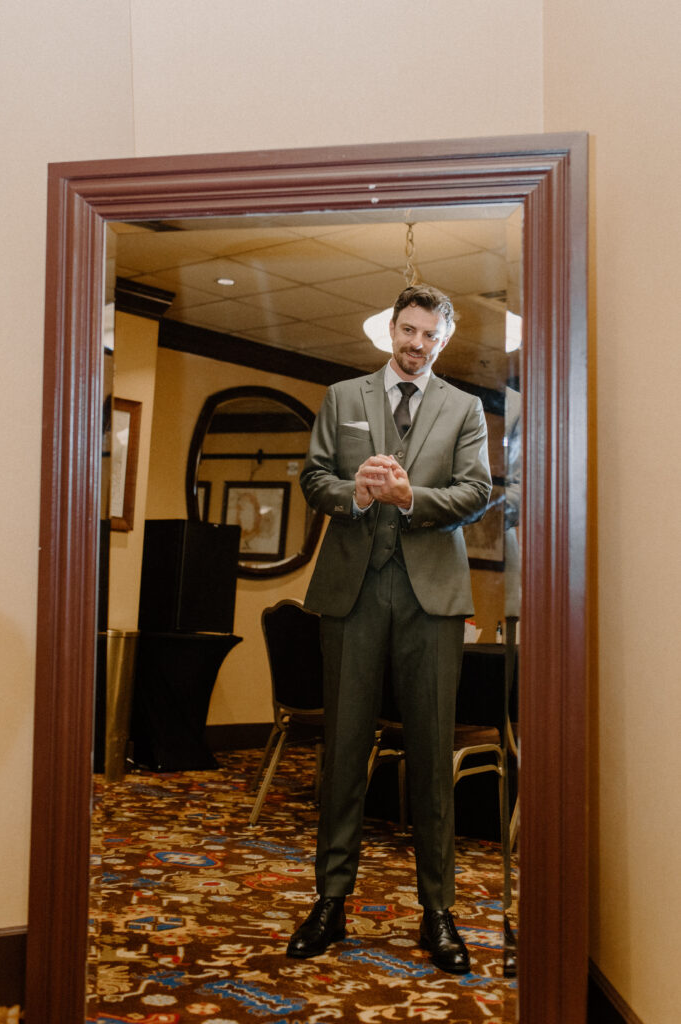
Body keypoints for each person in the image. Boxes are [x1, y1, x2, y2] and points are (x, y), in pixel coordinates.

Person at [286, 284, 492, 974]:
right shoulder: (343, 398)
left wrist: (412, 498)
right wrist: (356, 493)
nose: (415, 345)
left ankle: (438, 911)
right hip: (351, 593)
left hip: (430, 599)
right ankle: (330, 901)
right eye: (407, 331)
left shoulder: (464, 408)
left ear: (443, 340)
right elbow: (313, 478)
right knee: (343, 752)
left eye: (429, 336)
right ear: (390, 332)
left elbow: (474, 493)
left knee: (432, 762)